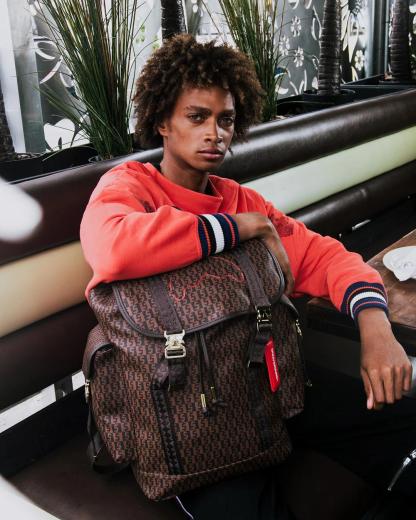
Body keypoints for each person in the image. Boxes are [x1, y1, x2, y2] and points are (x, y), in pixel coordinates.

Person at [80, 35, 415, 519]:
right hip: (184, 418)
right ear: (162, 122)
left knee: (406, 421)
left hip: (267, 384)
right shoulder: (130, 187)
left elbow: (324, 257)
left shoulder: (238, 199)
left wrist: (376, 326)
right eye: (197, 117)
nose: (215, 133)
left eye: (226, 120)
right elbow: (114, 247)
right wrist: (241, 228)